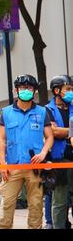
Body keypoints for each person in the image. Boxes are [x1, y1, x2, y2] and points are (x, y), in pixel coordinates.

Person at [0, 74, 54, 229]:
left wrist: (43, 153)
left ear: (34, 91)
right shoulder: (6, 112)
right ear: (17, 90)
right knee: (6, 204)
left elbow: (49, 137)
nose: (26, 90)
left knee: (36, 206)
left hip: (35, 167)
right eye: (22, 88)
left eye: (29, 87)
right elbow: (1, 139)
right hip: (12, 167)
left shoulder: (42, 112)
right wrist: (2, 163)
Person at [45, 75, 73, 229]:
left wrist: (64, 131)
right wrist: (72, 131)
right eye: (67, 89)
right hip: (60, 161)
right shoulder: (48, 110)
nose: (71, 92)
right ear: (57, 90)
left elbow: (59, 131)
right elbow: (53, 131)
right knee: (60, 200)